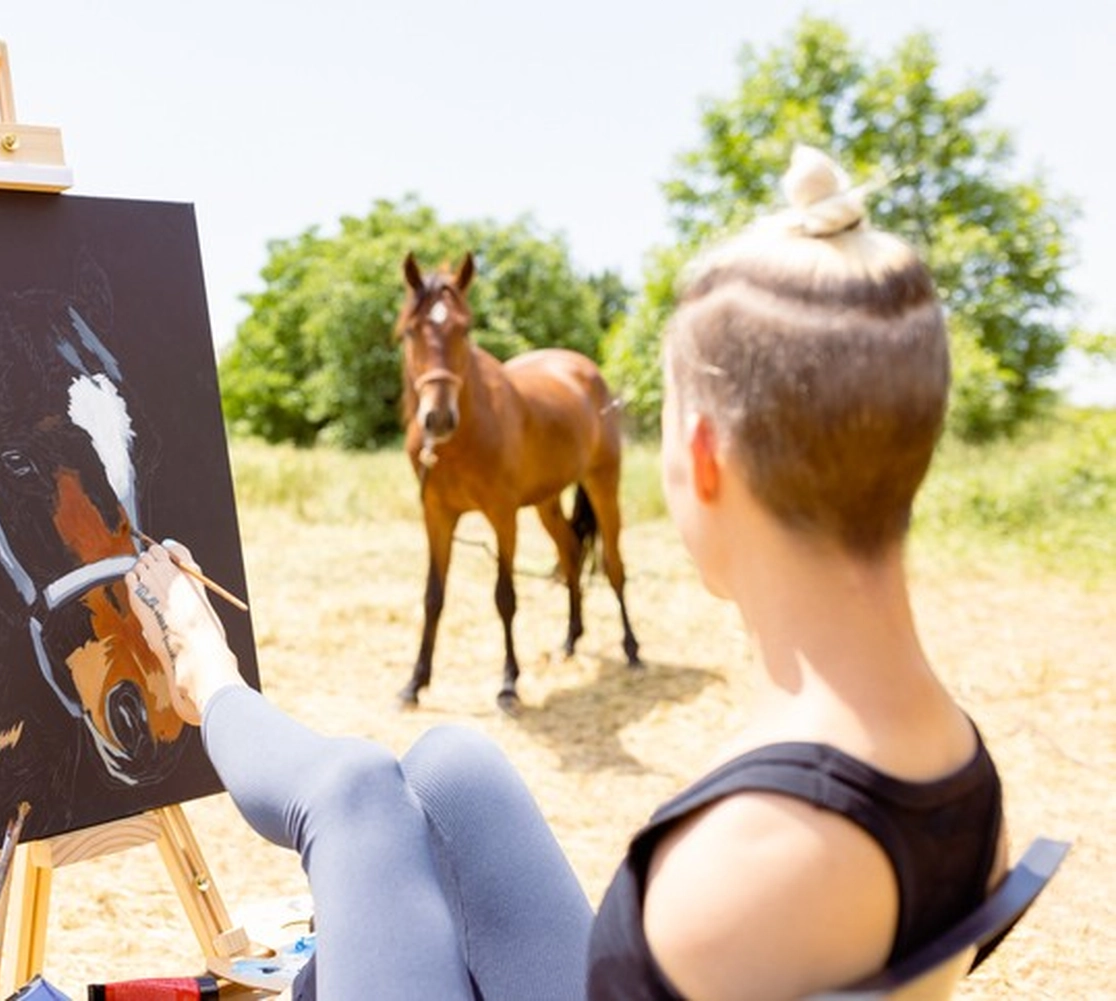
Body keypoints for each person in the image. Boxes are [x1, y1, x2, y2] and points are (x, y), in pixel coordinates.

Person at [124, 146, 1007, 1001]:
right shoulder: (966, 777)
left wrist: (212, 671)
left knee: (347, 785)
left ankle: (210, 677)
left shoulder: (742, 865)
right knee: (453, 758)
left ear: (703, 459)